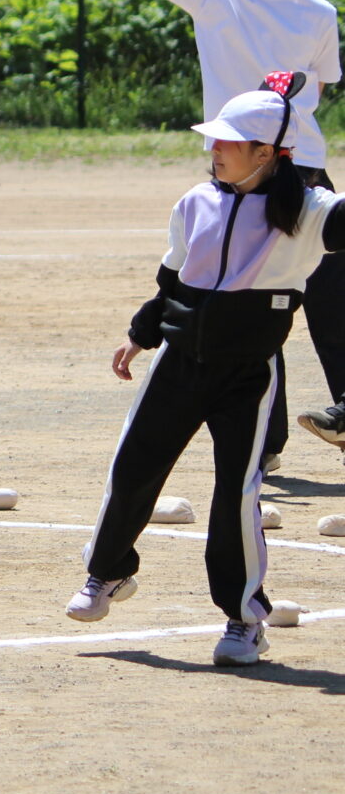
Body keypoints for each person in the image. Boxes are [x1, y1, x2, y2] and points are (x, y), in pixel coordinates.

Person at [66, 81, 345, 666]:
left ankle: (244, 620)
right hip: (178, 364)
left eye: (229, 141)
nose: (214, 149)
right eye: (213, 138)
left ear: (267, 153)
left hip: (246, 376)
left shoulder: (309, 212)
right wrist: (141, 334)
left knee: (236, 496)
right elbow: (173, 281)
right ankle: (109, 573)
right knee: (133, 466)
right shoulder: (196, 201)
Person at [115, 0, 345, 467]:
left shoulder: (317, 11)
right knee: (250, 303)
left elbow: (318, 88)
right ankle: (265, 443)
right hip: (238, 176)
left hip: (299, 168)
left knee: (330, 294)